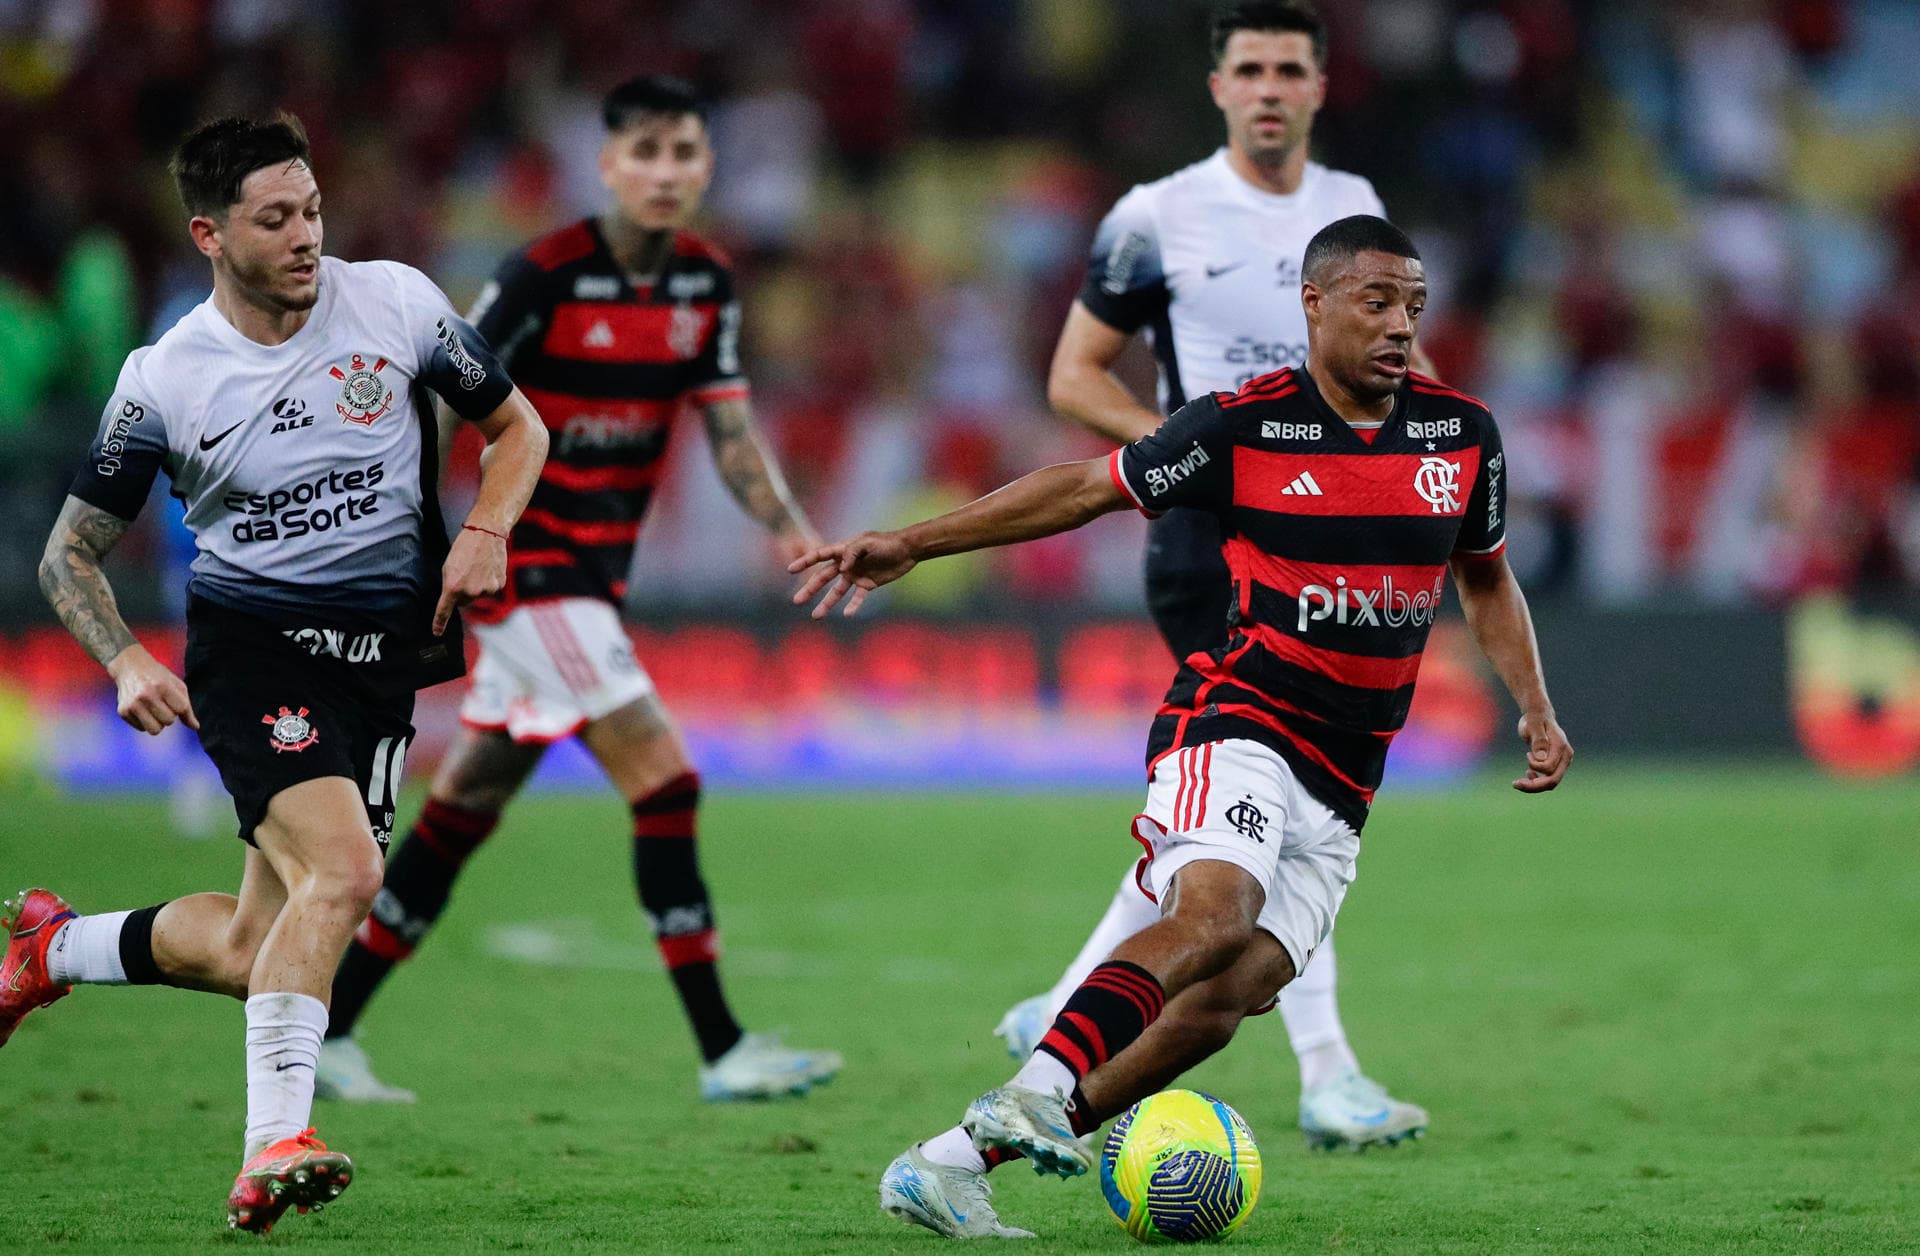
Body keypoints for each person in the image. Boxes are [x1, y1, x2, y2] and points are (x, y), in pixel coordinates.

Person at [790, 216, 1574, 1239]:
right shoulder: (1245, 425)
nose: (1400, 326)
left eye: (1414, 308)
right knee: (1215, 915)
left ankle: (947, 1164)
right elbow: (1084, 487)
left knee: (1225, 999)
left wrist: (1535, 705)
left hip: (1349, 777)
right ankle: (1040, 1081)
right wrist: (915, 543)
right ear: (1315, 304)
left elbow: (1486, 577)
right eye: (1378, 302)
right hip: (1242, 721)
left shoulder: (1461, 434)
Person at [4, 113, 549, 1233]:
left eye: (312, 210)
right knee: (344, 874)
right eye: (275, 219)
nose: (307, 236)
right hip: (253, 649)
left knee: (258, 943)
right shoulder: (166, 378)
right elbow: (68, 552)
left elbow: (518, 428)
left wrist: (488, 526)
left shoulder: (395, 304)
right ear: (210, 235)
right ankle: (274, 1144)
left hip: (380, 662)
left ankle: (52, 948)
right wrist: (125, 657)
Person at [314, 75, 841, 1106]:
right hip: (529, 566)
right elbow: (439, 396)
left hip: (597, 575)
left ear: (707, 166)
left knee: (466, 804)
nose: (664, 172)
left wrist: (790, 528)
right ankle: (724, 1047)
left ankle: (329, 1027)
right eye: (644, 151)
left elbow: (730, 430)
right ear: (606, 165)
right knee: (665, 779)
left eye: (683, 152)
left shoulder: (705, 284)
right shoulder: (543, 274)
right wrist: (416, 533)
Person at [1007, 0, 1435, 1152]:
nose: (1269, 88)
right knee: (1281, 795)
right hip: (1212, 548)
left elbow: (1400, 369)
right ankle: (1329, 1071)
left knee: (1243, 808)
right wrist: (1198, 455)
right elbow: (1074, 374)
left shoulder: (1355, 210)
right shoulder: (1155, 215)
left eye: (1290, 68)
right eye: (1250, 68)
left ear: (1320, 86)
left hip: (1335, 547)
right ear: (1218, 88)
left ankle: (1066, 1002)